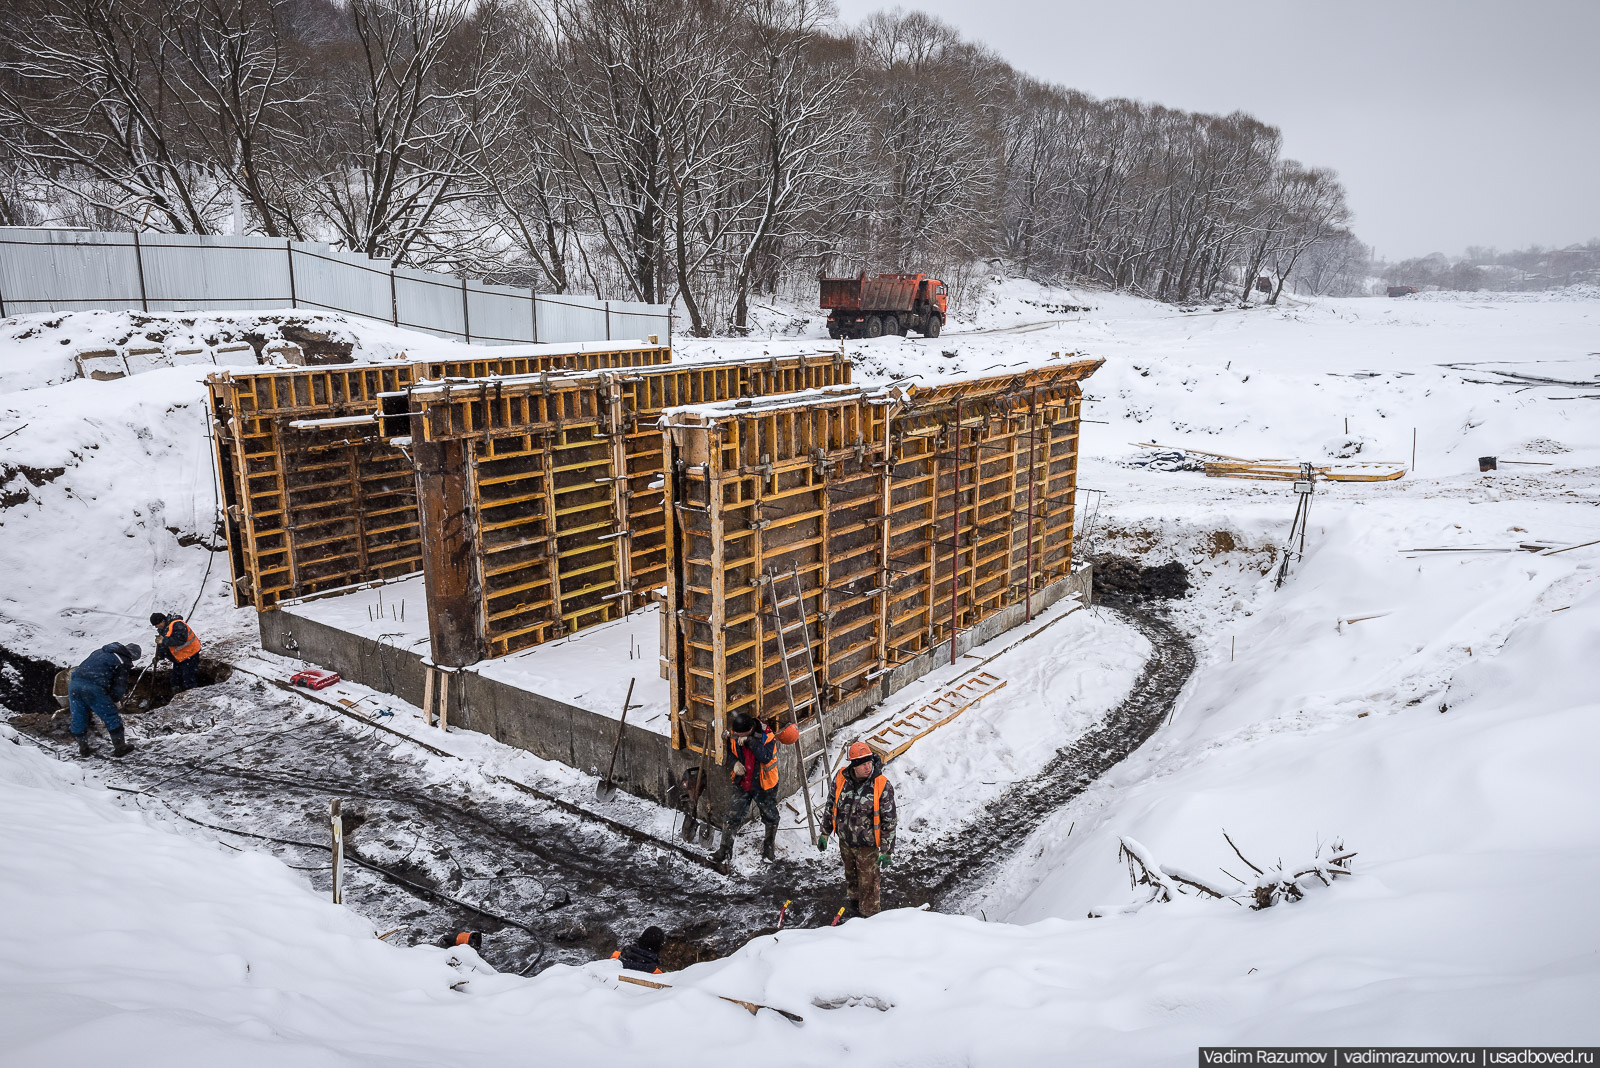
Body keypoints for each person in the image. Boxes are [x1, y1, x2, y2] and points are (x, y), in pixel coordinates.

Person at [818, 740, 897, 918]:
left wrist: (887, 850)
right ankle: (854, 910)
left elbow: (889, 820)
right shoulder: (840, 778)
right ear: (854, 766)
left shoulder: (881, 784)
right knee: (852, 879)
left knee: (869, 885)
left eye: (869, 763)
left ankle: (870, 918)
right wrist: (825, 832)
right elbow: (831, 806)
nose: (868, 767)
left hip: (867, 847)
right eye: (863, 765)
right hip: (845, 843)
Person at [711, 712, 780, 867]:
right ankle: (724, 849)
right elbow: (729, 753)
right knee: (732, 816)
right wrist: (734, 763)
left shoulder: (767, 736)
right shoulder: (734, 735)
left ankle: (769, 849)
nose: (736, 737)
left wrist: (750, 742)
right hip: (743, 783)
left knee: (771, 817)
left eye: (741, 735)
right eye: (736, 734)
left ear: (750, 730)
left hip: (763, 785)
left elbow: (765, 757)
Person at [68, 642, 141, 758]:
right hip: (93, 688)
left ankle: (83, 748)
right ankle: (120, 747)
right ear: (132, 655)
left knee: (79, 715)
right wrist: (114, 700)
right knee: (111, 715)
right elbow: (119, 686)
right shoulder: (122, 661)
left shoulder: (101, 651)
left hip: (74, 685)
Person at [151, 612, 202, 692]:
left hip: (190, 655)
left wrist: (164, 640)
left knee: (188, 679)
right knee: (175, 679)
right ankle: (177, 696)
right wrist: (159, 656)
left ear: (162, 621)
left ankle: (192, 696)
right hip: (179, 657)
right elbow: (164, 646)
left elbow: (180, 639)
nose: (156, 627)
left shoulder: (177, 624)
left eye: (156, 625)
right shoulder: (163, 629)